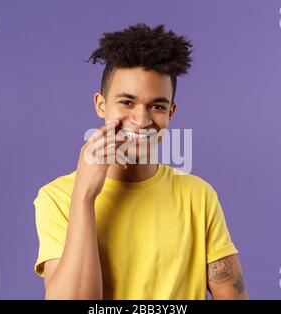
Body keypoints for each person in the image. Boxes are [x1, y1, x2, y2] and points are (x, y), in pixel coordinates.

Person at [33, 23, 248, 300]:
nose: (142, 120)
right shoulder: (58, 198)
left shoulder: (199, 196)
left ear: (171, 112)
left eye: (157, 106)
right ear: (101, 105)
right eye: (127, 102)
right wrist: (84, 197)